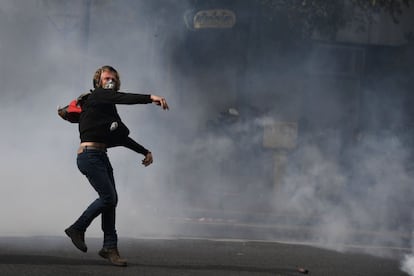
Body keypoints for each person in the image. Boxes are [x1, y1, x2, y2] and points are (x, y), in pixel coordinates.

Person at [64, 65, 169, 266]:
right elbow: (123, 98)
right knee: (108, 197)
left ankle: (110, 247)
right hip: (89, 156)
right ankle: (77, 228)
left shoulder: (108, 108)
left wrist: (144, 151)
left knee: (111, 201)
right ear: (98, 82)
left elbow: (121, 137)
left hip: (100, 156)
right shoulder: (97, 96)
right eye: (106, 78)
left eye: (113, 79)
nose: (110, 81)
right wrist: (150, 97)